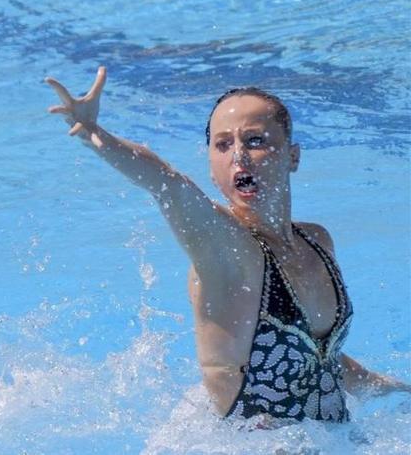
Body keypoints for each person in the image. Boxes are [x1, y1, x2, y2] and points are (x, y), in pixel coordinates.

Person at [45, 66, 410, 422]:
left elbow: (322, 359)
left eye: (255, 141)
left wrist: (396, 390)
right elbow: (167, 183)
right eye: (223, 145)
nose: (238, 156)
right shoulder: (226, 251)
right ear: (210, 165)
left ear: (293, 156)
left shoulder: (316, 241)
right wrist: (95, 133)